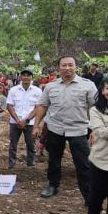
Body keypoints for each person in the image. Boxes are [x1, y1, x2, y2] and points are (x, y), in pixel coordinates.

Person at [33, 55, 98, 202]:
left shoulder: (88, 85)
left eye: (70, 65)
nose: (67, 68)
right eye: (64, 65)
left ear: (76, 67)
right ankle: (53, 185)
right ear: (59, 68)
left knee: (83, 163)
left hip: (79, 129)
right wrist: (36, 125)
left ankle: (88, 194)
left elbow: (94, 109)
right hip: (55, 128)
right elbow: (43, 105)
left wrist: (95, 129)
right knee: (54, 159)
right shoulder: (51, 86)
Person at [87, 76, 108, 214]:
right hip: (101, 161)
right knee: (96, 195)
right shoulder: (96, 110)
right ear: (102, 90)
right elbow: (101, 132)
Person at [6, 69, 43, 169]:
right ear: (20, 77)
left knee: (31, 144)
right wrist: (18, 120)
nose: (26, 77)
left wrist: (26, 121)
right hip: (15, 122)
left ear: (32, 77)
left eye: (28, 75)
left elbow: (38, 107)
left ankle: (30, 164)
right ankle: (11, 165)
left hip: (30, 123)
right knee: (13, 144)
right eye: (24, 75)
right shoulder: (13, 90)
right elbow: (9, 106)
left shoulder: (37, 91)